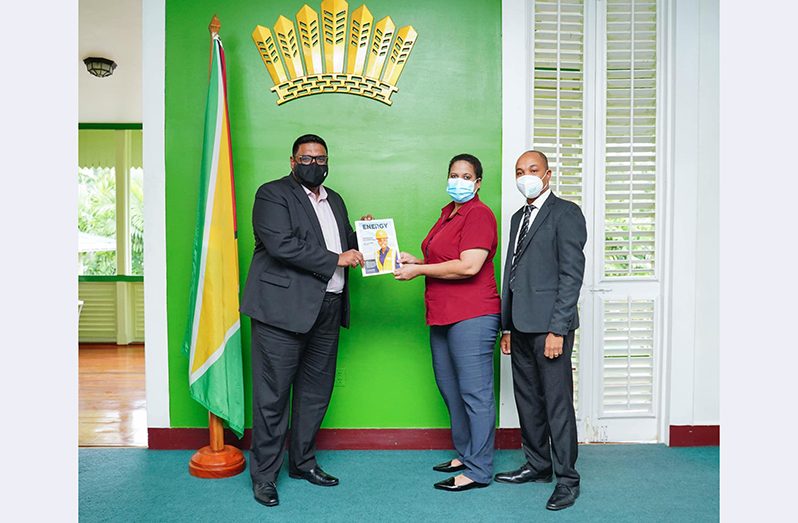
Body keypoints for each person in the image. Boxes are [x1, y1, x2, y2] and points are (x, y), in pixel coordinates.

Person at [240, 134, 365, 508]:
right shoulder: (272, 194)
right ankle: (264, 476)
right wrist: (336, 260)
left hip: (327, 308)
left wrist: (365, 237)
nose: (315, 163)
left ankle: (303, 462)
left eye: (321, 157)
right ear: (293, 161)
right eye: (307, 158)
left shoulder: (336, 200)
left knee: (314, 394)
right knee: (273, 397)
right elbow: (282, 245)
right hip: (282, 311)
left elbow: (342, 245)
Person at [393, 153, 501, 492]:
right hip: (442, 313)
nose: (459, 180)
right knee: (451, 389)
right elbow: (445, 259)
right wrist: (418, 259)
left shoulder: (479, 214)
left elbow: (469, 266)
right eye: (454, 174)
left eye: (467, 176)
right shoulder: (448, 213)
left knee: (475, 393)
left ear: (478, 182)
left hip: (473, 314)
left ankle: (479, 469)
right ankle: (467, 452)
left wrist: (420, 270)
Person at [493, 150, 587, 511]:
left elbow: (570, 277)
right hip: (519, 326)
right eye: (519, 171)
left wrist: (557, 330)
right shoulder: (519, 217)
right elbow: (512, 275)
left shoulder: (566, 213)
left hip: (550, 329)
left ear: (548, 174)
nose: (525, 176)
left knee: (556, 404)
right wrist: (506, 326)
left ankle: (567, 479)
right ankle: (537, 464)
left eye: (532, 170)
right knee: (527, 401)